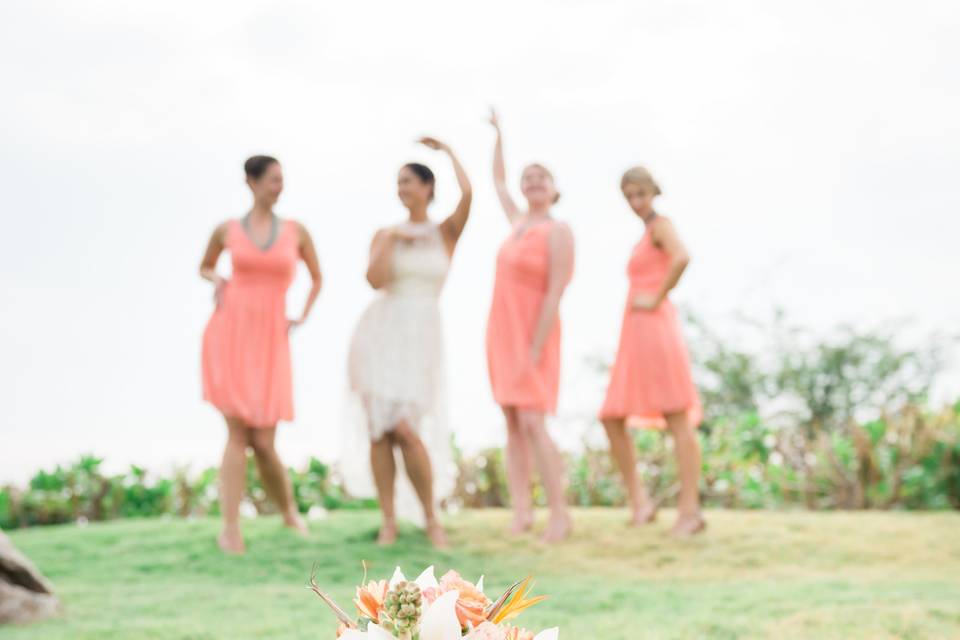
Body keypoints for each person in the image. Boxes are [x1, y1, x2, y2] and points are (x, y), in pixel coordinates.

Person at [342, 137, 471, 548]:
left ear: (428, 187)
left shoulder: (445, 232)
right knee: (380, 429)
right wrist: (391, 241)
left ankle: (432, 518)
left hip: (422, 336)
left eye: (408, 181)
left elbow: (468, 195)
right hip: (381, 333)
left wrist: (448, 150)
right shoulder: (386, 233)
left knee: (406, 428)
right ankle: (388, 521)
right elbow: (373, 280)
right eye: (398, 182)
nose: (401, 189)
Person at [199, 155, 322, 554]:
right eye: (272, 179)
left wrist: (301, 315)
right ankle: (230, 529)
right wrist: (217, 278)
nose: (279, 186)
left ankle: (289, 513)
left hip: (271, 339)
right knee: (237, 433)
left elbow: (317, 278)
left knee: (265, 442)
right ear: (251, 182)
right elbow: (204, 266)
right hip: (231, 332)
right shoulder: (227, 229)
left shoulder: (297, 231)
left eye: (281, 179)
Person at [599, 166, 705, 536]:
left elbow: (682, 257)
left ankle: (690, 511)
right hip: (634, 336)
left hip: (656, 330)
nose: (635, 202)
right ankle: (640, 502)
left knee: (676, 415)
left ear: (653, 191)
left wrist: (657, 296)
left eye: (640, 194)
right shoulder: (645, 233)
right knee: (611, 415)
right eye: (628, 196)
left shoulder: (661, 225)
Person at [486, 109, 574, 543]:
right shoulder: (517, 223)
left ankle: (559, 513)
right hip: (501, 332)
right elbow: (498, 181)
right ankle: (522, 511)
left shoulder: (558, 231)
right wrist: (499, 134)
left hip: (536, 335)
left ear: (554, 188)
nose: (533, 182)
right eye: (528, 177)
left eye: (542, 177)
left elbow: (556, 291)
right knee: (512, 422)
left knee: (534, 422)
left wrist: (536, 347)